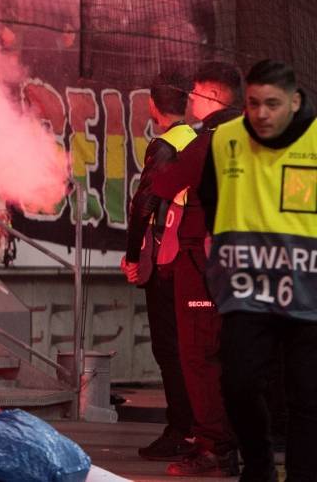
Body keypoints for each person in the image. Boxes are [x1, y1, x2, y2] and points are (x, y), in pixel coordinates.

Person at [147, 60, 314, 482]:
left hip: (215, 264)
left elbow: (165, 184)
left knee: (203, 356)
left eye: (195, 95)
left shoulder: (217, 139)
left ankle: (216, 446)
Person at [123, 70, 206, 463]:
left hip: (169, 262)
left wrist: (132, 255)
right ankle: (202, 430)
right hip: (200, 260)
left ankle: (181, 430)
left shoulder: (164, 145)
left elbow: (144, 204)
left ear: (153, 107)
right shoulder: (198, 139)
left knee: (169, 349)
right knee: (196, 350)